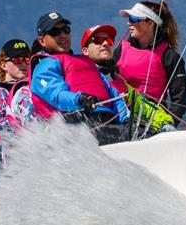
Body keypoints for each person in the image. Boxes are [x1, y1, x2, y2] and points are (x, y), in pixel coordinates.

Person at [29, 11, 130, 144]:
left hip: (104, 122)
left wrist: (126, 119)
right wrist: (81, 99)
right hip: (73, 125)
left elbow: (112, 94)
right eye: (55, 32)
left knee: (139, 134)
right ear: (42, 40)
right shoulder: (45, 66)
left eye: (66, 30)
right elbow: (57, 95)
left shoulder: (86, 62)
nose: (63, 35)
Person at [81, 24, 174, 134]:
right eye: (98, 40)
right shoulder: (78, 75)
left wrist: (165, 122)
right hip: (92, 136)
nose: (105, 43)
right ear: (85, 50)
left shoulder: (118, 81)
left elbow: (143, 106)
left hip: (122, 135)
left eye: (109, 40)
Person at [114, 1, 186, 125]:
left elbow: (180, 102)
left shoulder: (170, 57)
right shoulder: (121, 50)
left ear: (150, 23)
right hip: (120, 114)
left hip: (152, 120)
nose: (129, 23)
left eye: (133, 18)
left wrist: (167, 125)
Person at [0, 39, 35, 145]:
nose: (23, 64)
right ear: (3, 65)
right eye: (17, 60)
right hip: (18, 155)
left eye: (27, 60)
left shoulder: (34, 87)